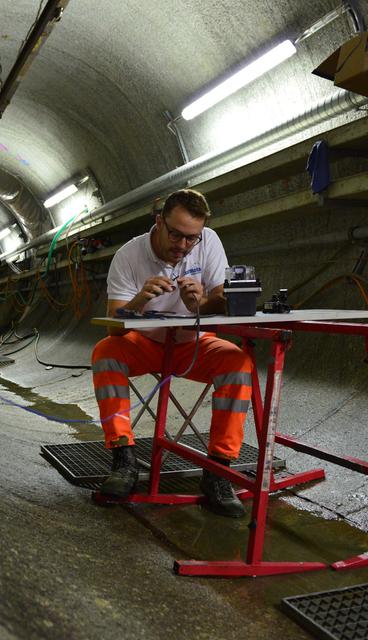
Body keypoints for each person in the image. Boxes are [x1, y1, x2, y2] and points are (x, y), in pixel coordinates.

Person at [91, 189, 252, 518]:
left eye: (190, 239)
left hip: (191, 343)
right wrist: (139, 301)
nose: (182, 245)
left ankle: (218, 471)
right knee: (106, 352)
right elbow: (114, 328)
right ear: (159, 222)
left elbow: (222, 299)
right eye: (175, 234)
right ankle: (124, 461)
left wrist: (202, 303)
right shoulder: (129, 255)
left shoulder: (208, 241)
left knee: (238, 362)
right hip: (145, 343)